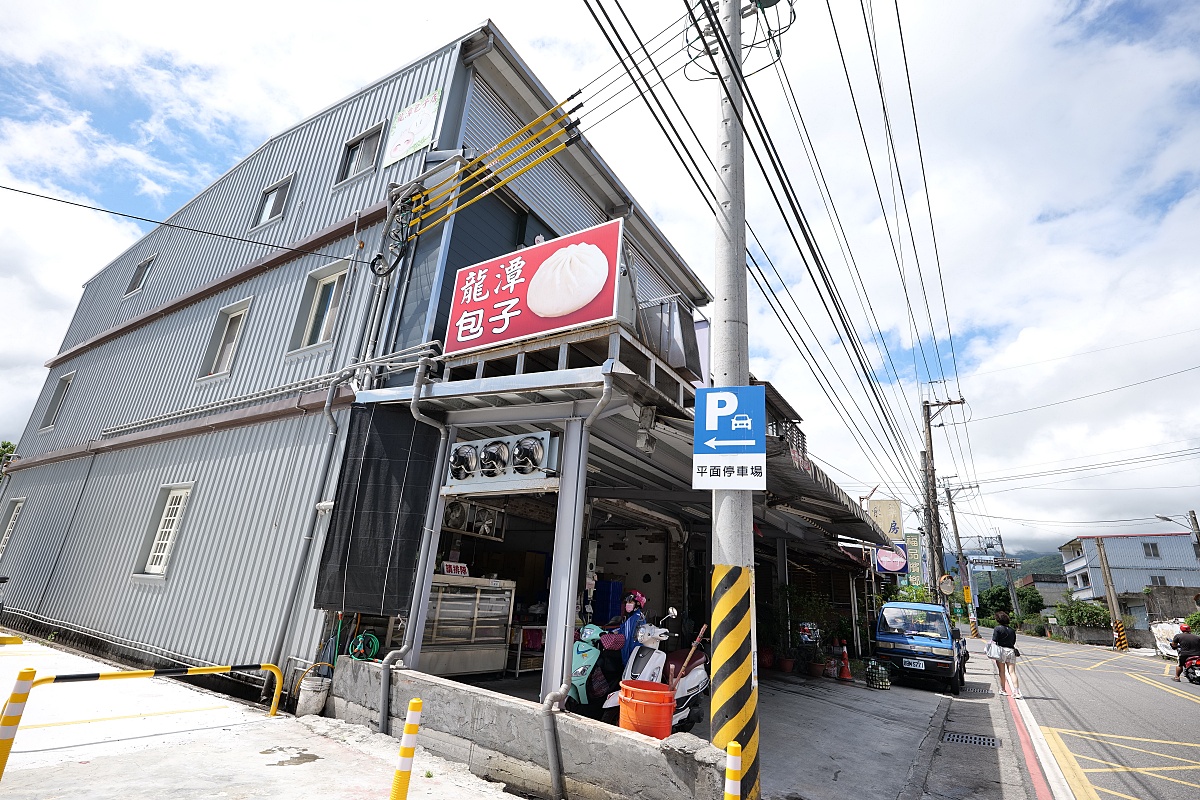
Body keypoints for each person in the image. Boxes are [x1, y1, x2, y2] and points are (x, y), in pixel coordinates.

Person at [608, 591, 648, 664]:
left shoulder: (635, 618)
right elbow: (622, 629)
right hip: (634, 652)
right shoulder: (635, 617)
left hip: (631, 651)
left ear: (638, 604)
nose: (627, 604)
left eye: (630, 602)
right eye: (626, 602)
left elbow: (626, 636)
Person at [989, 611, 1022, 698]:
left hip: (1001, 651)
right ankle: (1016, 691)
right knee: (1012, 672)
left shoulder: (997, 629)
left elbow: (994, 640)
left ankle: (1003, 690)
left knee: (1002, 671)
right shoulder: (1012, 630)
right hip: (1011, 651)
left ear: (998, 620)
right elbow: (1013, 642)